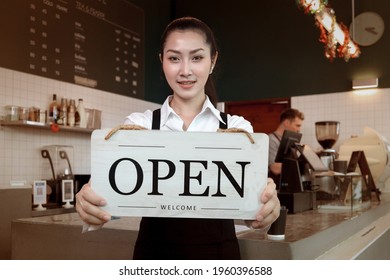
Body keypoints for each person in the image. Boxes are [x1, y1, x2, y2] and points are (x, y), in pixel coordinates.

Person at [76, 16, 280, 260]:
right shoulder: (137, 127)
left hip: (218, 256)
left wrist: (265, 209)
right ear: (162, 61)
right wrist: (90, 203)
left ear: (213, 61)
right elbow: (108, 196)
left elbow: (250, 208)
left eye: (197, 57)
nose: (185, 70)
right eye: (174, 58)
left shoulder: (237, 131)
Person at [268, 108, 305, 178]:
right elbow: (275, 169)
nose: (299, 130)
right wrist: (300, 164)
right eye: (297, 125)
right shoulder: (271, 140)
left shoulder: (290, 140)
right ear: (286, 122)